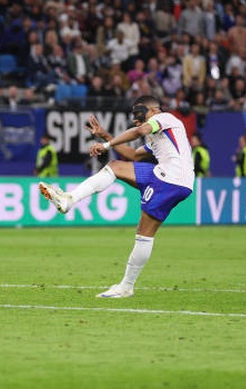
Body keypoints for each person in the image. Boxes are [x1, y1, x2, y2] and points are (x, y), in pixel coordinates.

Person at [39, 95, 194, 299]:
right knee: (115, 167)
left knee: (144, 234)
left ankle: (126, 286)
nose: (138, 121)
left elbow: (139, 131)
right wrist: (105, 135)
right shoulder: (159, 135)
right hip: (171, 177)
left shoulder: (165, 118)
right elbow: (133, 155)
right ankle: (68, 199)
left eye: (140, 115)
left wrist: (106, 146)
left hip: (170, 178)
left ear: (153, 110)